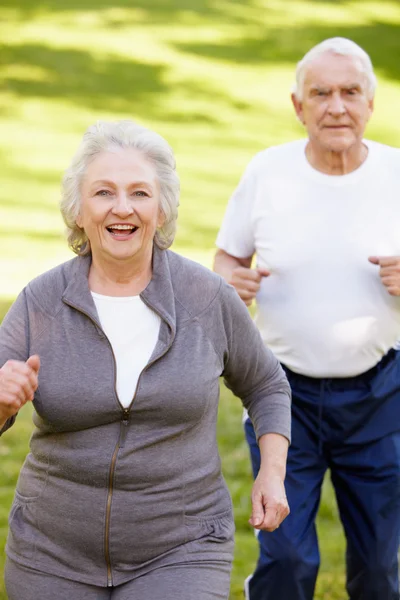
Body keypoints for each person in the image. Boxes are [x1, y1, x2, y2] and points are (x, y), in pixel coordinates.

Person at [0, 120, 291, 600]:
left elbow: (266, 384)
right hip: (50, 552)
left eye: (139, 193)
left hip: (182, 548)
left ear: (162, 209)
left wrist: (272, 472)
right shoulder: (40, 303)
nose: (122, 208)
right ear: (78, 210)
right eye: (103, 193)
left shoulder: (207, 297)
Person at [214, 37, 400, 600]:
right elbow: (227, 259)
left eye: (350, 93)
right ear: (298, 106)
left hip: (380, 397)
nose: (336, 107)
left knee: (379, 568)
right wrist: (229, 283)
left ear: (371, 103)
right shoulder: (268, 172)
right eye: (320, 93)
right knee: (288, 558)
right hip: (281, 397)